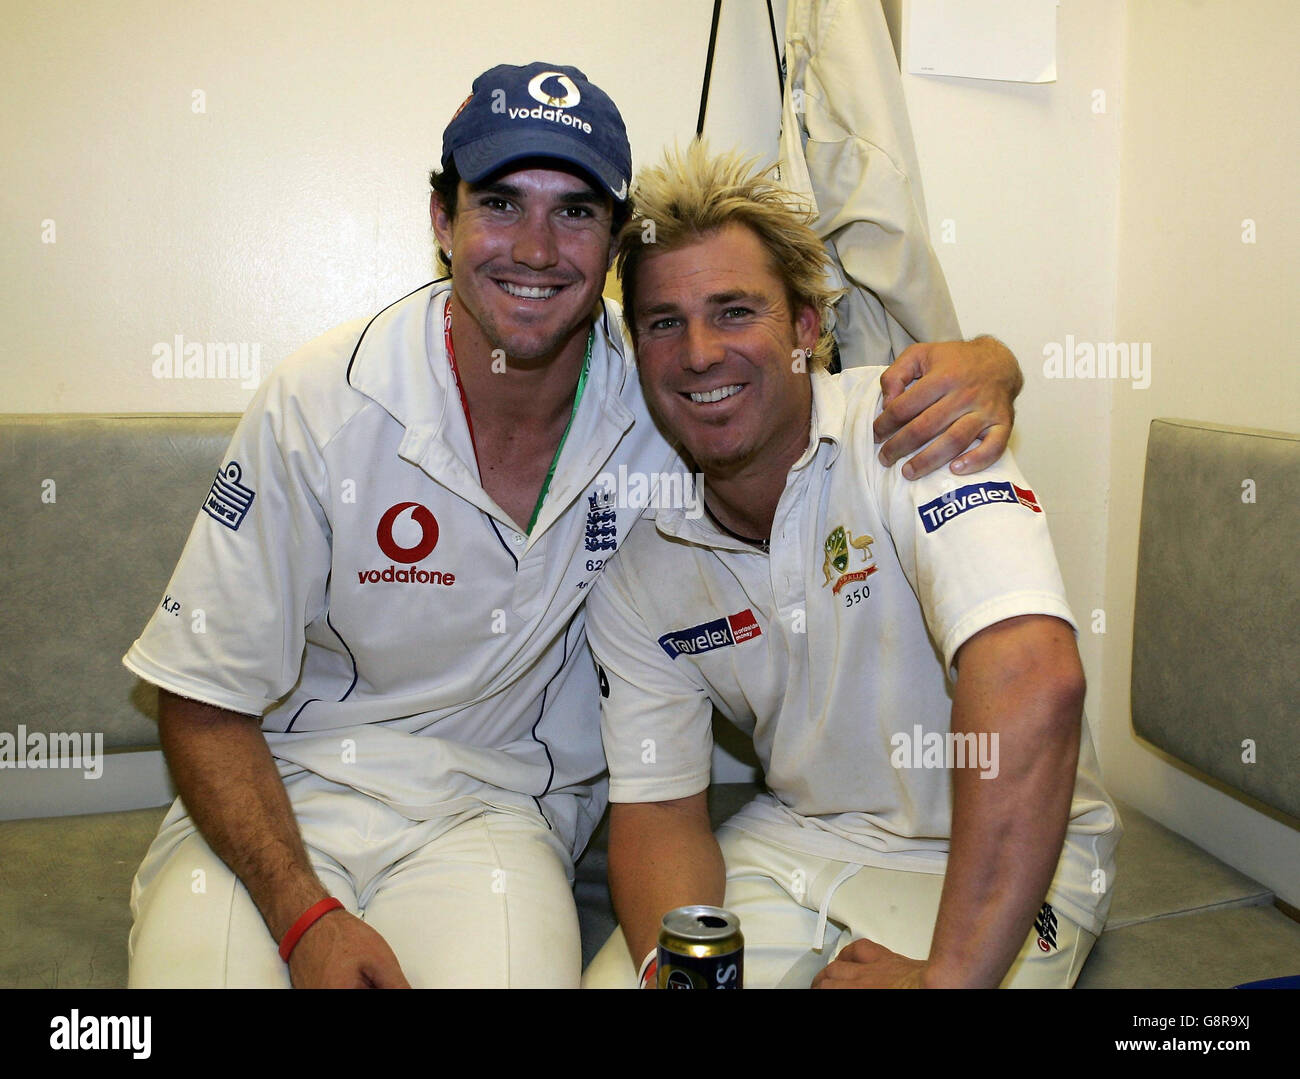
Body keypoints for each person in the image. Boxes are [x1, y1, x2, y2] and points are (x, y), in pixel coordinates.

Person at [122, 64, 1027, 989]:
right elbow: (200, 696)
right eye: (502, 204)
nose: (538, 248)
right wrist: (306, 915)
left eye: (577, 211)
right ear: (444, 222)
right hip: (290, 792)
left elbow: (814, 395)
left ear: (614, 245)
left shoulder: (671, 395)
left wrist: (993, 364)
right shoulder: (323, 402)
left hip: (494, 815)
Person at [582, 144, 1120, 990]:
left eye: (733, 311)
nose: (697, 352)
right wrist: (670, 973)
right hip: (802, 832)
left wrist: (949, 979)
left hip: (999, 852)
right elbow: (659, 813)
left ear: (806, 327)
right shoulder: (642, 565)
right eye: (662, 322)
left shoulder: (917, 430)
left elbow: (1033, 676)